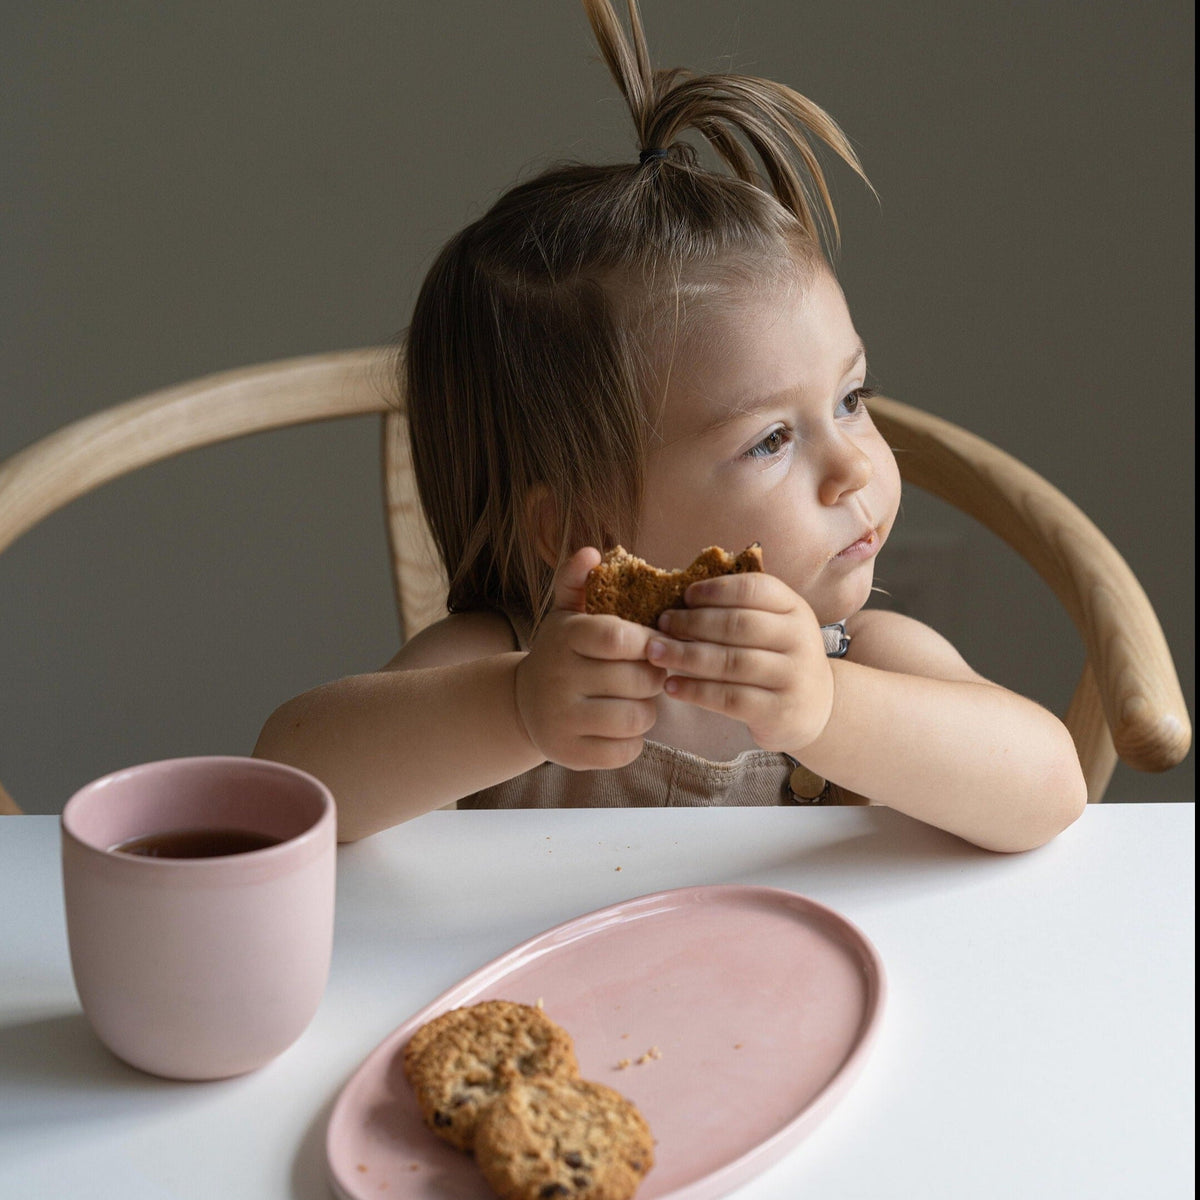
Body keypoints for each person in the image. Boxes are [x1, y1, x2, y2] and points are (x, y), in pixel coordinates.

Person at [253, 0, 1087, 851]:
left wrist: (829, 711)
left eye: (849, 398)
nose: (855, 467)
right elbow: (290, 784)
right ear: (581, 524)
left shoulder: (854, 654)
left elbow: (1050, 789)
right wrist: (514, 708)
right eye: (771, 440)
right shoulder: (509, 658)